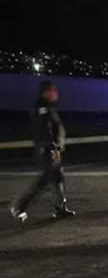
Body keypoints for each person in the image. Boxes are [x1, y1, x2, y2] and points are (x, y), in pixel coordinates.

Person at [10, 81, 75, 222]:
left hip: (51, 150)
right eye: (53, 91)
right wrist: (52, 146)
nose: (56, 93)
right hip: (47, 150)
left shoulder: (49, 107)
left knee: (57, 177)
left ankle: (60, 209)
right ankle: (19, 207)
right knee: (45, 180)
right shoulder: (42, 107)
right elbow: (45, 129)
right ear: (46, 92)